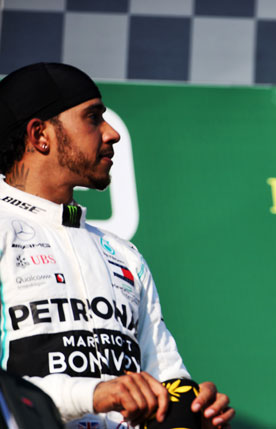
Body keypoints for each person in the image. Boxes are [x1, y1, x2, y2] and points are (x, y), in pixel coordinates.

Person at [0, 62, 235, 429]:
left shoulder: (124, 254)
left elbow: (167, 379)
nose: (112, 134)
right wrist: (92, 394)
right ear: (40, 134)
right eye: (93, 118)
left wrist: (193, 410)